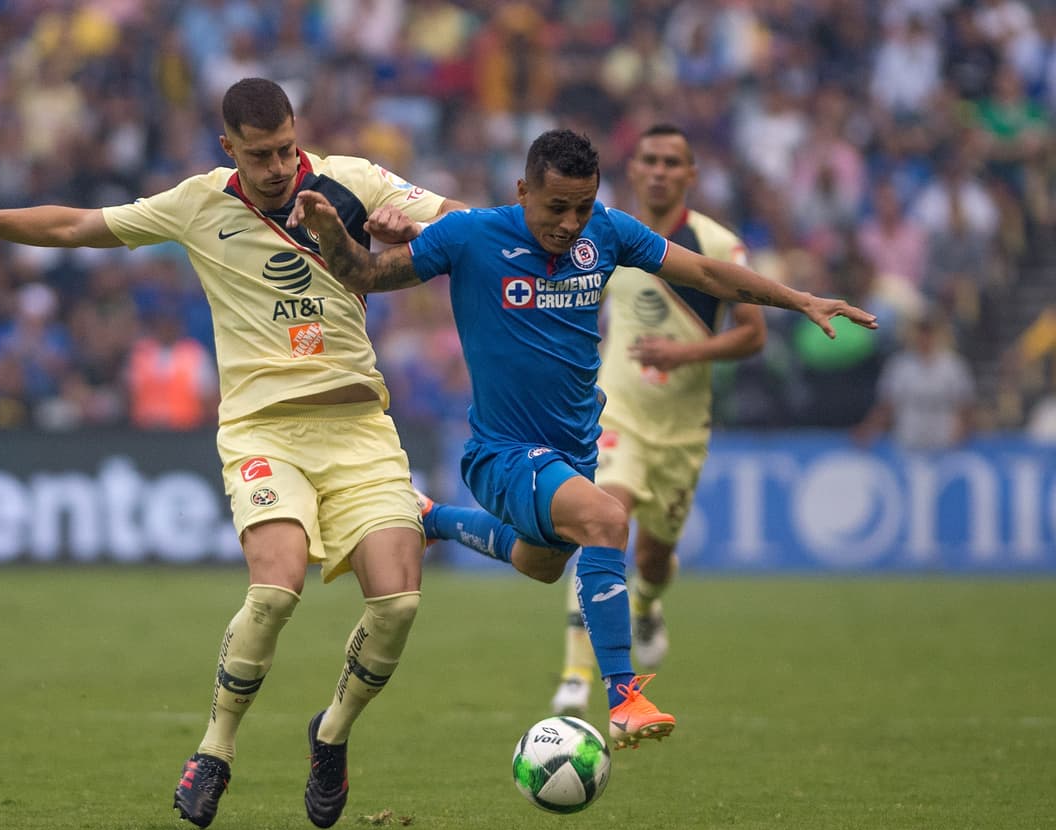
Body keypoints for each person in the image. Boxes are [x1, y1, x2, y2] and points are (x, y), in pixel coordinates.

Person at [0, 77, 466, 830]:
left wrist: (428, 226)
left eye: (284, 148)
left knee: (398, 602)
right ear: (228, 148)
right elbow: (80, 225)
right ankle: (215, 750)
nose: (277, 166)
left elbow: (466, 224)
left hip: (359, 427)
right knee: (274, 590)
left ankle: (331, 731)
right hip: (262, 430)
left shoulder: (355, 182)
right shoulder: (199, 202)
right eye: (259, 154)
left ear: (296, 133)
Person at [289, 129, 877, 752]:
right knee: (606, 519)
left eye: (582, 206)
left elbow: (706, 272)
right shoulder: (473, 236)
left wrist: (799, 298)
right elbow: (368, 273)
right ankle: (624, 698)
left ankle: (433, 519)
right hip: (502, 454)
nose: (571, 223)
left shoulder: (609, 231)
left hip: (573, 452)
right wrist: (332, 232)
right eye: (556, 208)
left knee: (542, 565)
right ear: (523, 191)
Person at [545, 123, 767, 716]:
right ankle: (575, 674)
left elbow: (753, 334)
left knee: (653, 559)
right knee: (601, 522)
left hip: (682, 430)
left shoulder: (716, 245)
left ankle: (644, 604)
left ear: (691, 174)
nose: (661, 170)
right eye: (651, 160)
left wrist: (686, 353)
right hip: (617, 415)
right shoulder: (598, 236)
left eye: (674, 161)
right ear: (635, 169)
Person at [852, 311, 974, 449]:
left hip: (944, 443)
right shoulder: (900, 365)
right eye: (921, 332)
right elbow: (887, 405)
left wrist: (962, 433)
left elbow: (964, 405)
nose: (925, 338)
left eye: (929, 333)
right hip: (909, 442)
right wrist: (869, 429)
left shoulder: (953, 366)